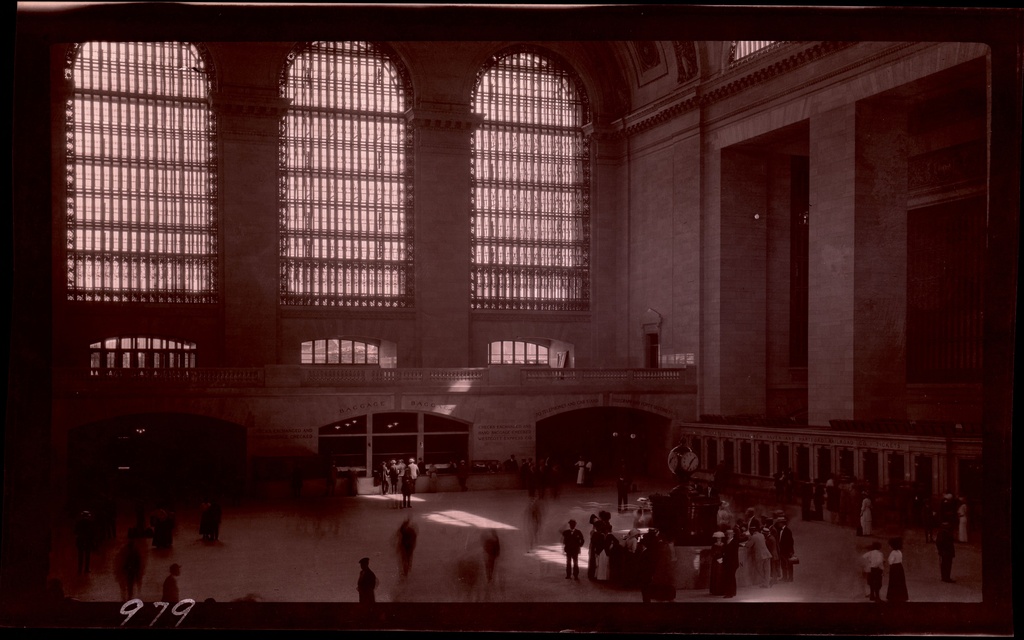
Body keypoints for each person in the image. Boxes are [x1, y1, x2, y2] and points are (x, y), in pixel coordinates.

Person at [885, 537, 908, 602]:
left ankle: (892, 596)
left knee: (893, 582)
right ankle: (902, 596)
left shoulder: (893, 552)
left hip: (894, 568)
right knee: (900, 582)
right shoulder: (899, 552)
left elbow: (890, 561)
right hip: (900, 567)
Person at [74, 510, 96, 574]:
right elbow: (93, 533)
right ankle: (86, 569)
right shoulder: (90, 523)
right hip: (88, 541)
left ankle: (79, 569)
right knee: (87, 556)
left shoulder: (78, 523)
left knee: (80, 556)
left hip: (80, 540)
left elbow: (75, 531)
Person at [775, 517, 795, 583]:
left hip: (787, 551)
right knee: (783, 564)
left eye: (779, 523)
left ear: (782, 523)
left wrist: (791, 551)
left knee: (789, 564)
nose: (778, 524)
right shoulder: (779, 530)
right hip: (782, 551)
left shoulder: (787, 531)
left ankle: (790, 578)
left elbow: (791, 542)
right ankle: (785, 577)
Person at [721, 528, 740, 598]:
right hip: (729, 563)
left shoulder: (734, 542)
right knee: (731, 577)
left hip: (732, 563)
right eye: (727, 534)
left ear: (732, 535)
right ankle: (732, 592)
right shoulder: (727, 541)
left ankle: (729, 593)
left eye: (729, 534)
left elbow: (732, 554)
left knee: (730, 578)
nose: (728, 535)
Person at [708, 531, 726, 596]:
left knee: (721, 575)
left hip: (722, 561)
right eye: (717, 538)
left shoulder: (723, 545)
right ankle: (715, 590)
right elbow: (712, 553)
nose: (718, 539)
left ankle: (721, 590)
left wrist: (722, 558)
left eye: (720, 538)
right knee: (715, 575)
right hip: (715, 562)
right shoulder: (714, 545)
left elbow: (725, 552)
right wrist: (716, 557)